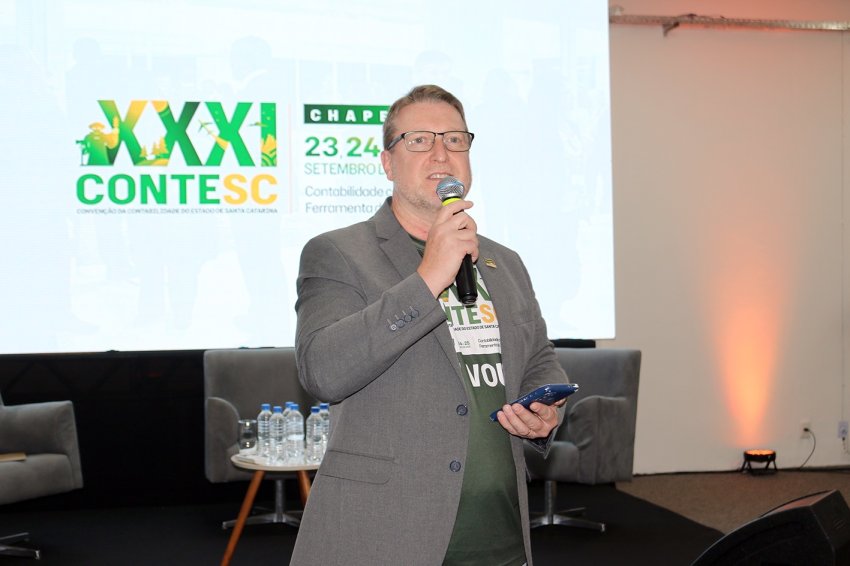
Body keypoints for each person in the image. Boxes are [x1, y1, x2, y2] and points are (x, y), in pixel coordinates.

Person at [291, 84, 569, 566]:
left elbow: (539, 358)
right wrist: (427, 280)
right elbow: (323, 371)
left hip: (500, 539)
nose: (441, 153)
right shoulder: (337, 253)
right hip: (386, 539)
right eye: (419, 140)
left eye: (455, 139)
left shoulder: (505, 262)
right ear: (387, 163)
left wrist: (546, 411)